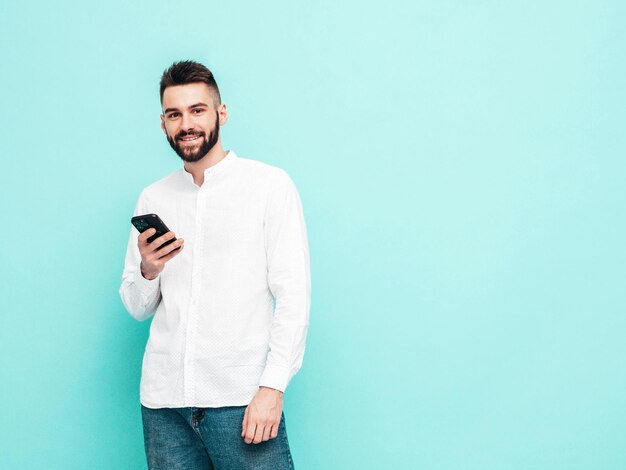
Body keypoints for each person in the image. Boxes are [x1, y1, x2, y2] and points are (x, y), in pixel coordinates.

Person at [119, 60, 310, 470]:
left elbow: (294, 296)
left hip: (241, 401)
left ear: (221, 113)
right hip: (164, 406)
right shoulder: (153, 198)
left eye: (197, 110)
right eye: (175, 114)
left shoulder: (269, 186)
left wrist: (272, 388)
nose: (186, 124)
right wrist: (148, 270)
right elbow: (136, 307)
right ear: (163, 123)